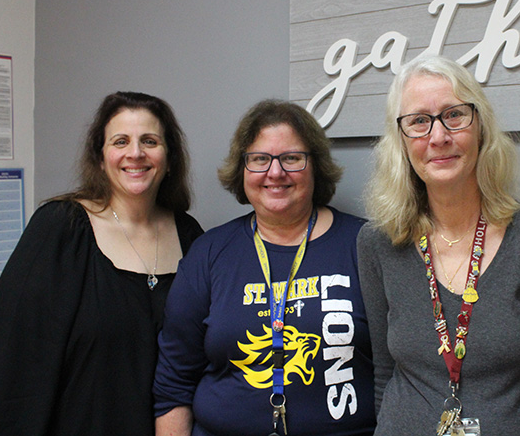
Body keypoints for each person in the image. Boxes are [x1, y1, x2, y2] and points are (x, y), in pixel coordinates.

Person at [358, 55, 520, 436]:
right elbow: (384, 373)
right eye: (418, 121)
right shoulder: (379, 242)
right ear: (400, 141)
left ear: (480, 127)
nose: (438, 136)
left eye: (454, 115)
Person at [154, 99, 375, 436]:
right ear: (242, 169)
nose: (275, 172)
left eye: (292, 158)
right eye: (259, 159)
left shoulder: (363, 245)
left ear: (315, 166)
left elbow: (399, 373)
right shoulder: (210, 253)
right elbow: (173, 384)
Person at [0, 91, 204, 436]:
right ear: (101, 156)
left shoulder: (192, 237)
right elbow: (14, 363)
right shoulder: (60, 229)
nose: (135, 153)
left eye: (149, 141)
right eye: (120, 141)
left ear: (169, 158)